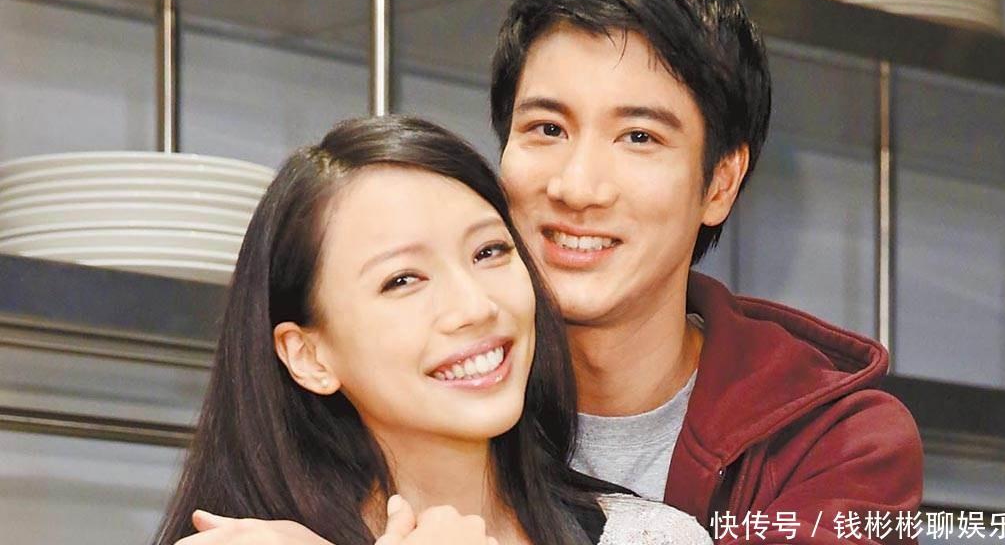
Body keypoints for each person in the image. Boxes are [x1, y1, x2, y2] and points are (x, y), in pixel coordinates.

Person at [489, 0, 924, 543]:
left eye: (639, 137)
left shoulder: (837, 443)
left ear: (720, 183)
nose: (577, 188)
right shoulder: (416, 389)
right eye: (548, 129)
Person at [153, 115, 713, 545]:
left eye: (489, 251)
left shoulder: (648, 537)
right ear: (307, 355)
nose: (475, 306)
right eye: (402, 280)